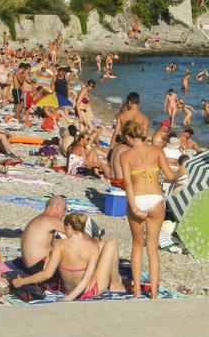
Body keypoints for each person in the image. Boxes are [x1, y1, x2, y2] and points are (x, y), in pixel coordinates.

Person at [119, 120, 186, 299]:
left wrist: (134, 208)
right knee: (152, 249)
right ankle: (154, 293)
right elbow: (171, 176)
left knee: (137, 245)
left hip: (138, 199)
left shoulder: (125, 156)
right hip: (156, 199)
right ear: (142, 134)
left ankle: (137, 291)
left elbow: (127, 183)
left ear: (127, 136)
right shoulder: (157, 151)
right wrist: (181, 171)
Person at [11, 212, 123, 301]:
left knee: (102, 245)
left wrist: (22, 281)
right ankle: (115, 284)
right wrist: (70, 299)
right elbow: (86, 279)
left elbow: (47, 274)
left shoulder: (59, 244)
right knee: (111, 243)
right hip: (89, 291)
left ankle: (116, 280)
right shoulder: (92, 247)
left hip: (69, 290)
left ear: (68, 226)